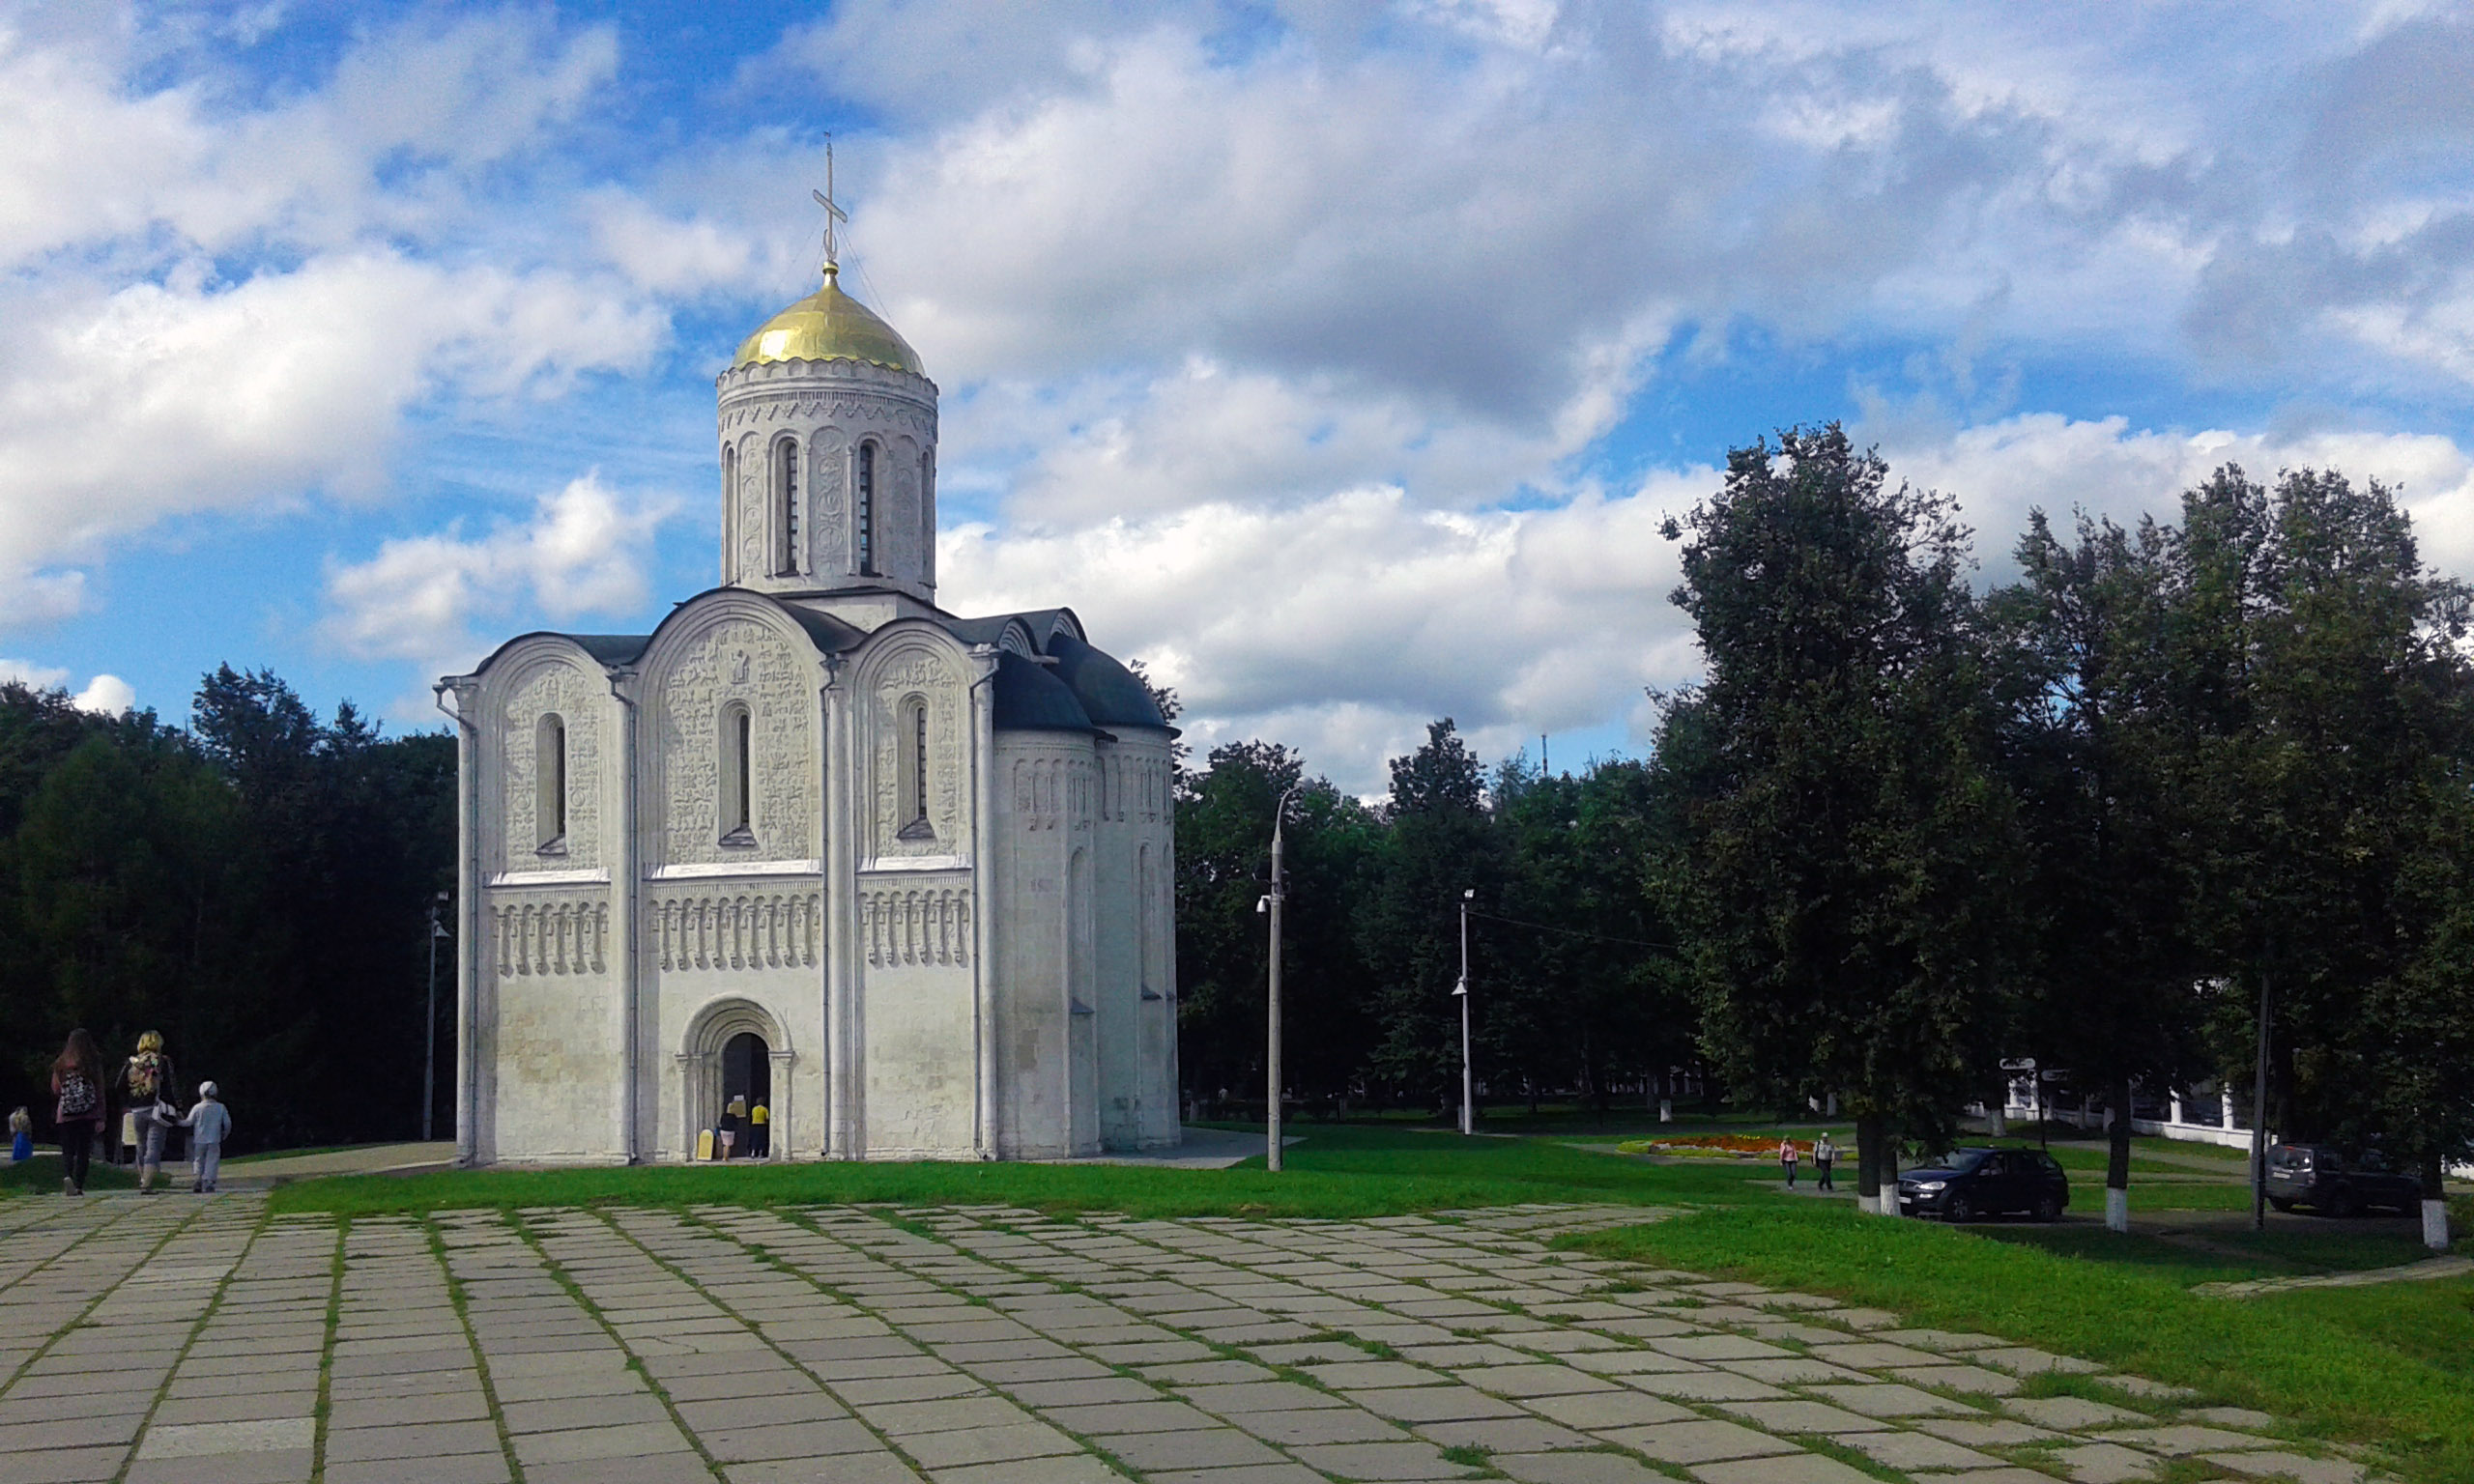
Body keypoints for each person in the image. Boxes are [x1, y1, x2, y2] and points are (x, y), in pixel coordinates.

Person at [50, 1029, 106, 1195]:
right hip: (88, 1113)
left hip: (66, 1113)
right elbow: (99, 1090)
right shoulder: (92, 1063)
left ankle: (67, 1176)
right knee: (83, 1151)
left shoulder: (61, 1063)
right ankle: (79, 1185)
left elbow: (55, 1089)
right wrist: (101, 1117)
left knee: (68, 1149)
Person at [123, 1030, 178, 1194]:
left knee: (141, 1145)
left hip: (137, 1109)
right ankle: (147, 1183)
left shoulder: (132, 1062)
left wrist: (130, 1100)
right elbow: (170, 1086)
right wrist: (178, 1107)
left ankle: (142, 1178)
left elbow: (119, 1084)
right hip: (156, 1108)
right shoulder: (161, 1061)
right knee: (154, 1146)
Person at [177, 1082, 230, 1193]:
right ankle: (209, 1182)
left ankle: (198, 1179)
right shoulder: (221, 1107)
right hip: (214, 1139)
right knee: (212, 1160)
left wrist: (177, 1121)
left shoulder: (197, 1107)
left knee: (198, 1160)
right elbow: (227, 1123)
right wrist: (225, 1134)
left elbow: (188, 1122)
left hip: (199, 1140)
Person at [718, 1094, 744, 1159]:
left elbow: (721, 1122)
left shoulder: (724, 1115)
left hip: (723, 1130)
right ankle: (726, 1157)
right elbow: (736, 1123)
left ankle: (724, 1157)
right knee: (728, 1145)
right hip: (730, 1131)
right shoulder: (733, 1116)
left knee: (724, 1144)